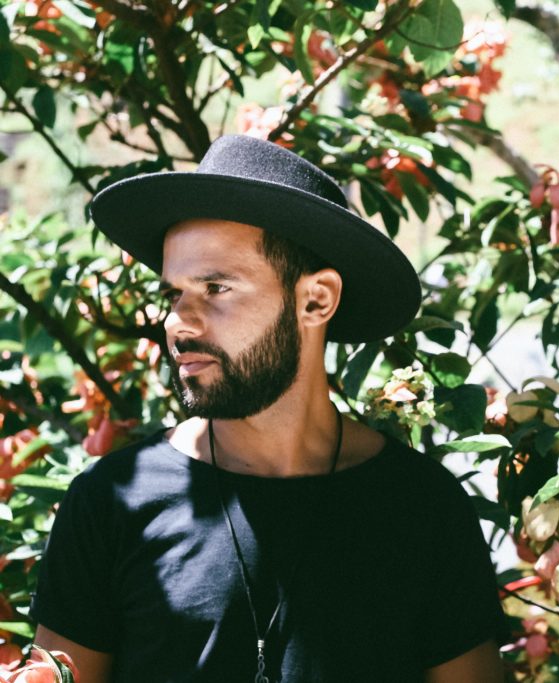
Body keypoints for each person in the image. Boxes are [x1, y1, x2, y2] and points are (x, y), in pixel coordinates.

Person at [31, 135, 507, 683]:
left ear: (315, 300)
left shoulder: (421, 506)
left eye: (215, 287)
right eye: (172, 294)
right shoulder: (113, 502)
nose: (178, 322)